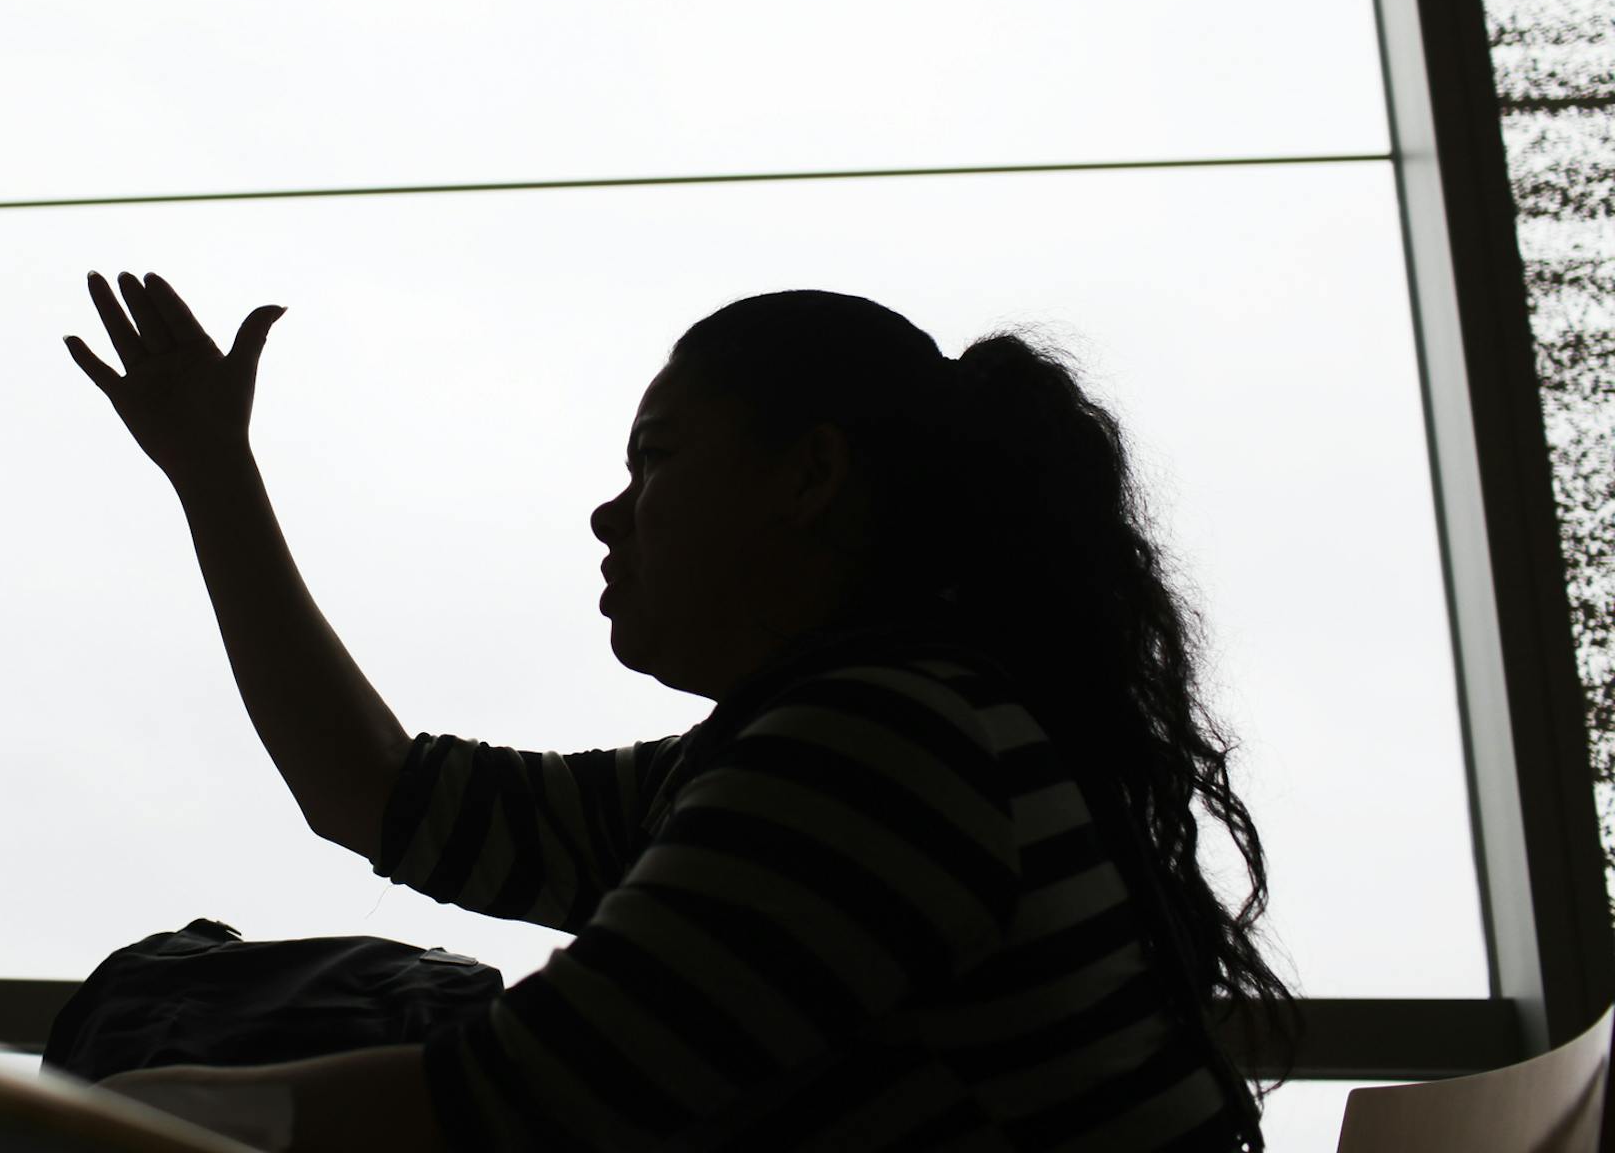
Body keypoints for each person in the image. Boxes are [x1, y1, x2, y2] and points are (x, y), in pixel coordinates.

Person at [64, 273, 1295, 1153]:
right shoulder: (837, 738)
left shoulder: (881, 748)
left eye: (655, 457)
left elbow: (511, 1104)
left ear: (810, 475)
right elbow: (378, 792)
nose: (612, 514)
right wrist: (213, 474)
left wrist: (87, 1116)